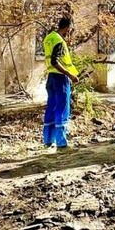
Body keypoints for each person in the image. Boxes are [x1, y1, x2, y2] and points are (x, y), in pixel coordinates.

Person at [42, 17, 79, 151]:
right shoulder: (59, 40)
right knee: (62, 109)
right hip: (60, 79)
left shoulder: (48, 38)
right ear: (67, 27)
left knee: (51, 107)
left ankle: (48, 140)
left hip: (51, 78)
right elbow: (54, 61)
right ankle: (62, 143)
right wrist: (70, 75)